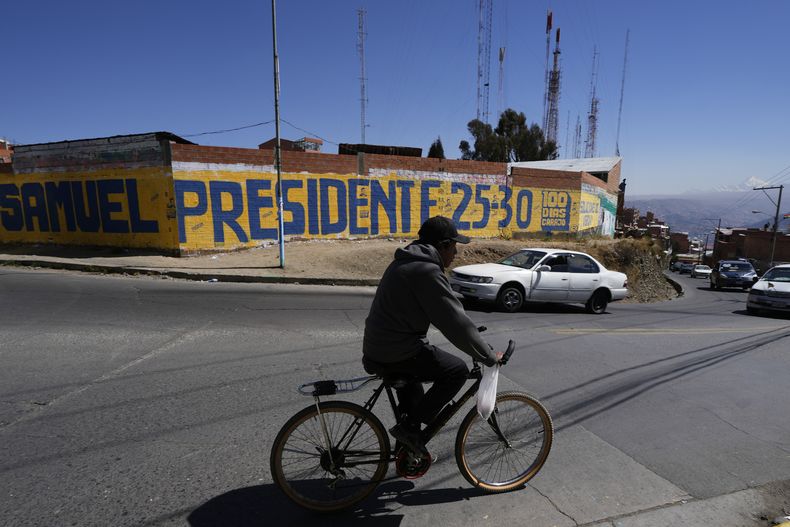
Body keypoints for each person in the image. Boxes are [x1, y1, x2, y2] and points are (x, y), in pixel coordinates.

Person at [362, 216, 499, 456]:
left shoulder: (406, 261)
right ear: (443, 245)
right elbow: (452, 321)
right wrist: (487, 355)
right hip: (396, 349)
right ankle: (408, 431)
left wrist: (471, 337)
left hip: (380, 345)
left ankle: (408, 448)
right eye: (454, 246)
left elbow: (444, 316)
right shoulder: (425, 270)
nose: (456, 253)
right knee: (456, 371)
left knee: (414, 395)